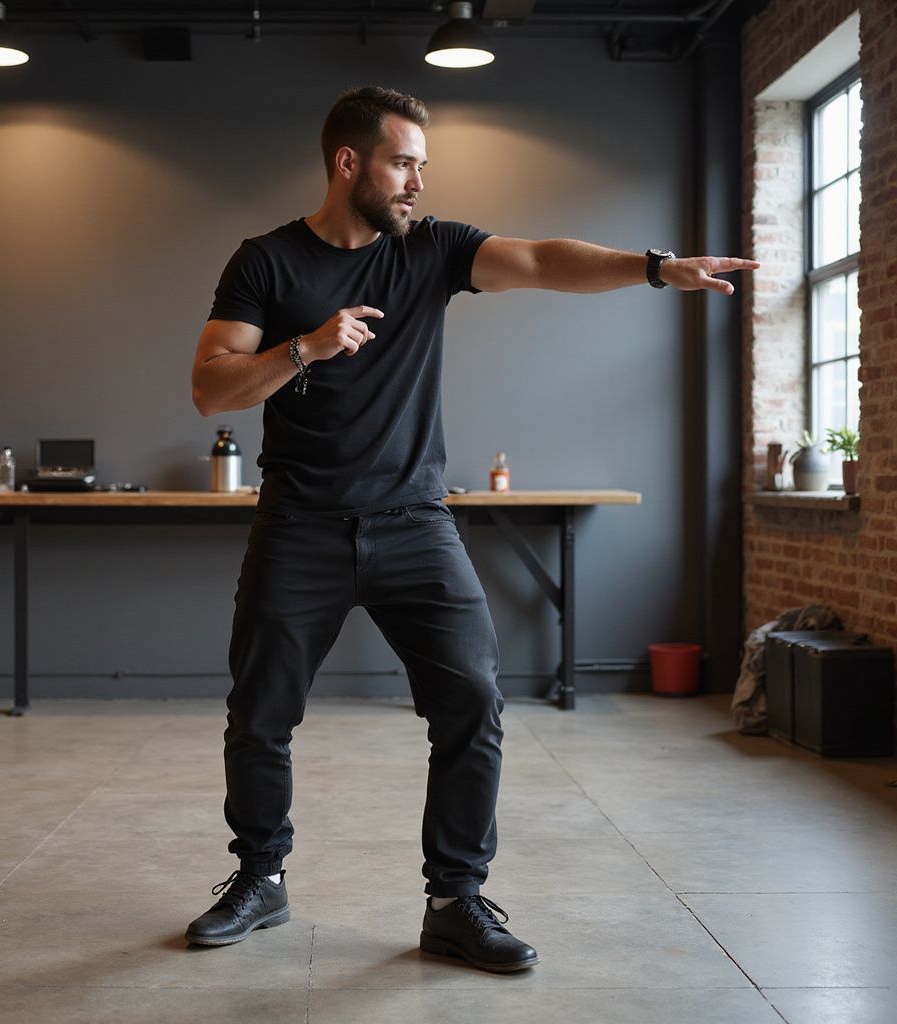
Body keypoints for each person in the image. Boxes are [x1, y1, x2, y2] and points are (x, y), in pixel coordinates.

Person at [185, 85, 758, 974]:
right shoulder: (266, 262)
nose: (416, 180)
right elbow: (210, 387)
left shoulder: (432, 251)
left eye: (421, 165)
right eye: (403, 161)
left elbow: (540, 259)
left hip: (414, 522)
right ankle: (260, 879)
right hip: (299, 524)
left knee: (473, 704)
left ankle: (455, 903)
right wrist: (305, 347)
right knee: (259, 714)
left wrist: (653, 268)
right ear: (349, 163)